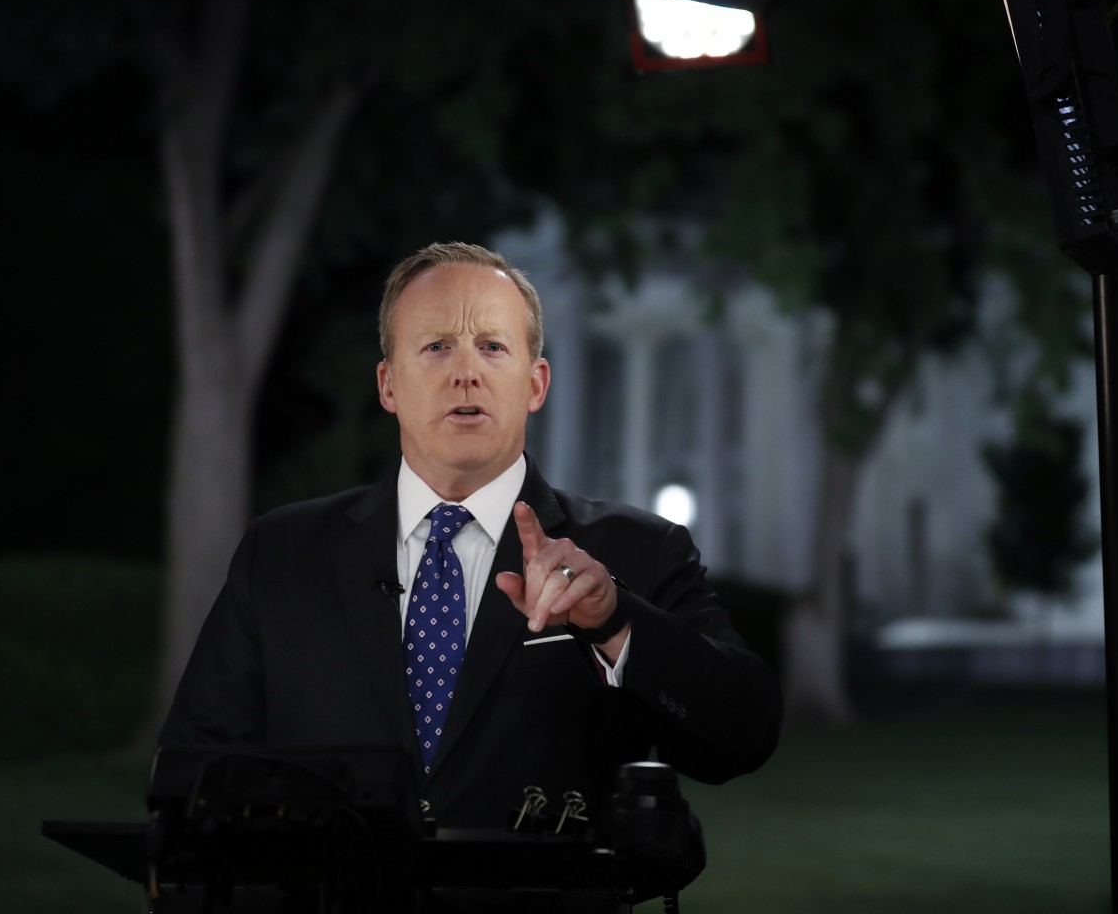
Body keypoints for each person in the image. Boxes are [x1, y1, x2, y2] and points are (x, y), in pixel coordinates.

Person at [159, 242, 782, 828]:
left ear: (535, 384)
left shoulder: (636, 552)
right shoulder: (283, 552)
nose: (466, 373)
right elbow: (195, 769)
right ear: (388, 386)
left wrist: (614, 620)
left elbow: (744, 735)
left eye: (491, 346)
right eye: (435, 347)